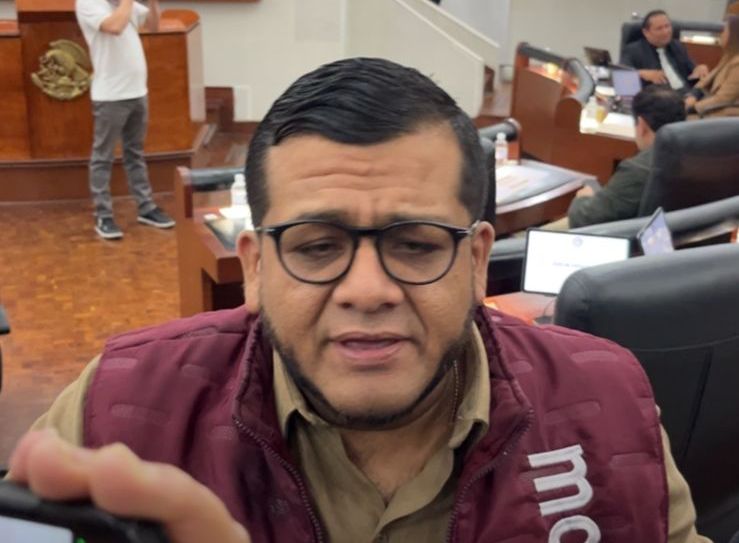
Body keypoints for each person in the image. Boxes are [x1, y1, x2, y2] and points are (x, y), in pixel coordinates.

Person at [8, 58, 710, 542]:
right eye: (317, 247)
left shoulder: (606, 403)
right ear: (254, 267)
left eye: (415, 244)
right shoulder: (116, 410)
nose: (367, 291)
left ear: (474, 261)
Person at [76, 0, 175, 240]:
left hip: (137, 92)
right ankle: (104, 215)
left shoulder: (122, 3)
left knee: (135, 153)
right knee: (103, 156)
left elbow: (153, 26)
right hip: (110, 97)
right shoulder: (89, 3)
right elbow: (115, 26)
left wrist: (152, 2)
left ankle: (146, 207)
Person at [568, 85, 686, 228]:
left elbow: (584, 219)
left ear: (641, 125)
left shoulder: (637, 170)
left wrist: (583, 198)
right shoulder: (698, 156)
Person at [621, 10, 709, 92]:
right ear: (646, 32)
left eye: (667, 26)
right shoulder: (633, 50)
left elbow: (693, 70)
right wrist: (642, 73)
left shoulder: (677, 46)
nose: (666, 32)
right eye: (659, 28)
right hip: (658, 97)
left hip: (686, 94)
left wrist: (699, 69)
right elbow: (621, 76)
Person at [685, 16, 739, 117]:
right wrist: (694, 94)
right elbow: (707, 80)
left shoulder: (737, 64)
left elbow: (723, 99)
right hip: (710, 106)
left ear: (733, 35)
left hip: (724, 114)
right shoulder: (729, 55)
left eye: (724, 31)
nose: (721, 35)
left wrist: (692, 108)